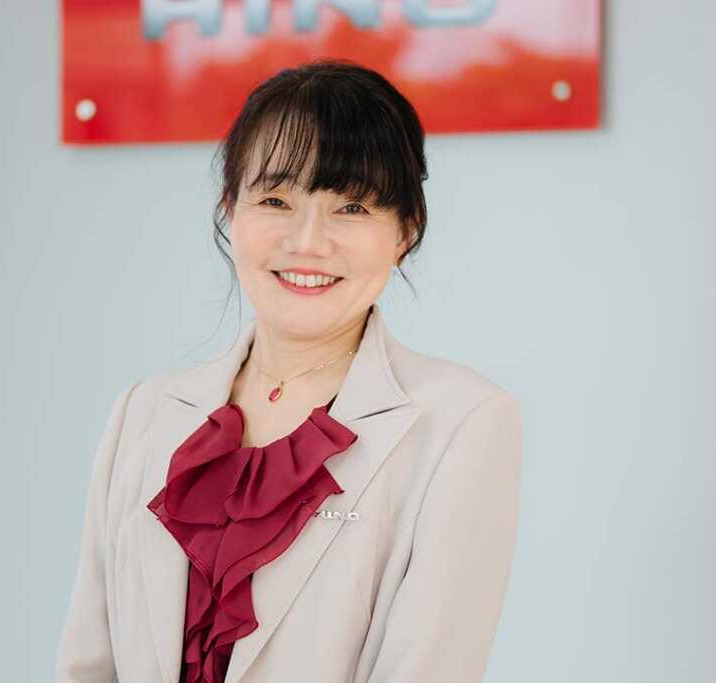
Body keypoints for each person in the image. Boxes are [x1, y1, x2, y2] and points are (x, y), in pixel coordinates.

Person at [57, 59, 522, 683]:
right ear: (230, 209)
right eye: (276, 199)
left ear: (405, 232)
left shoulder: (463, 423)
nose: (307, 242)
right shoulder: (141, 414)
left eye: (351, 207)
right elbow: (88, 667)